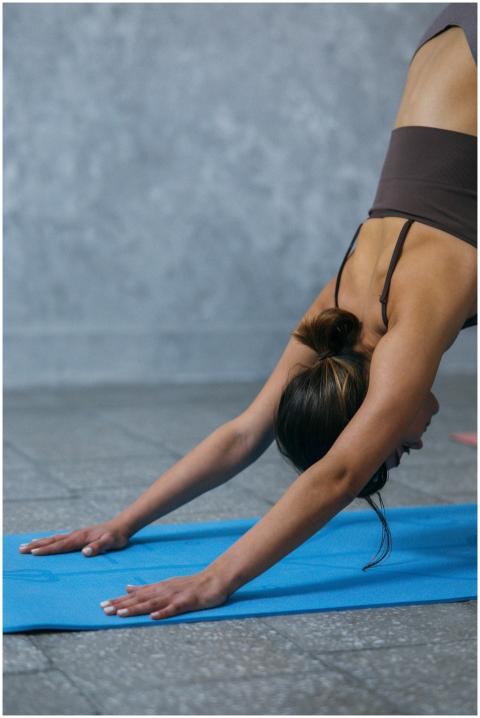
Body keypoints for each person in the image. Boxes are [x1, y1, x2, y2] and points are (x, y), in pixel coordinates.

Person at [19, 4, 477, 622]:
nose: (413, 443)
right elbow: (242, 436)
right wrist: (122, 524)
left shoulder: (405, 327)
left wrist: (215, 580)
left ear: (370, 402)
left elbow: (337, 470)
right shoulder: (338, 310)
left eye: (393, 450)